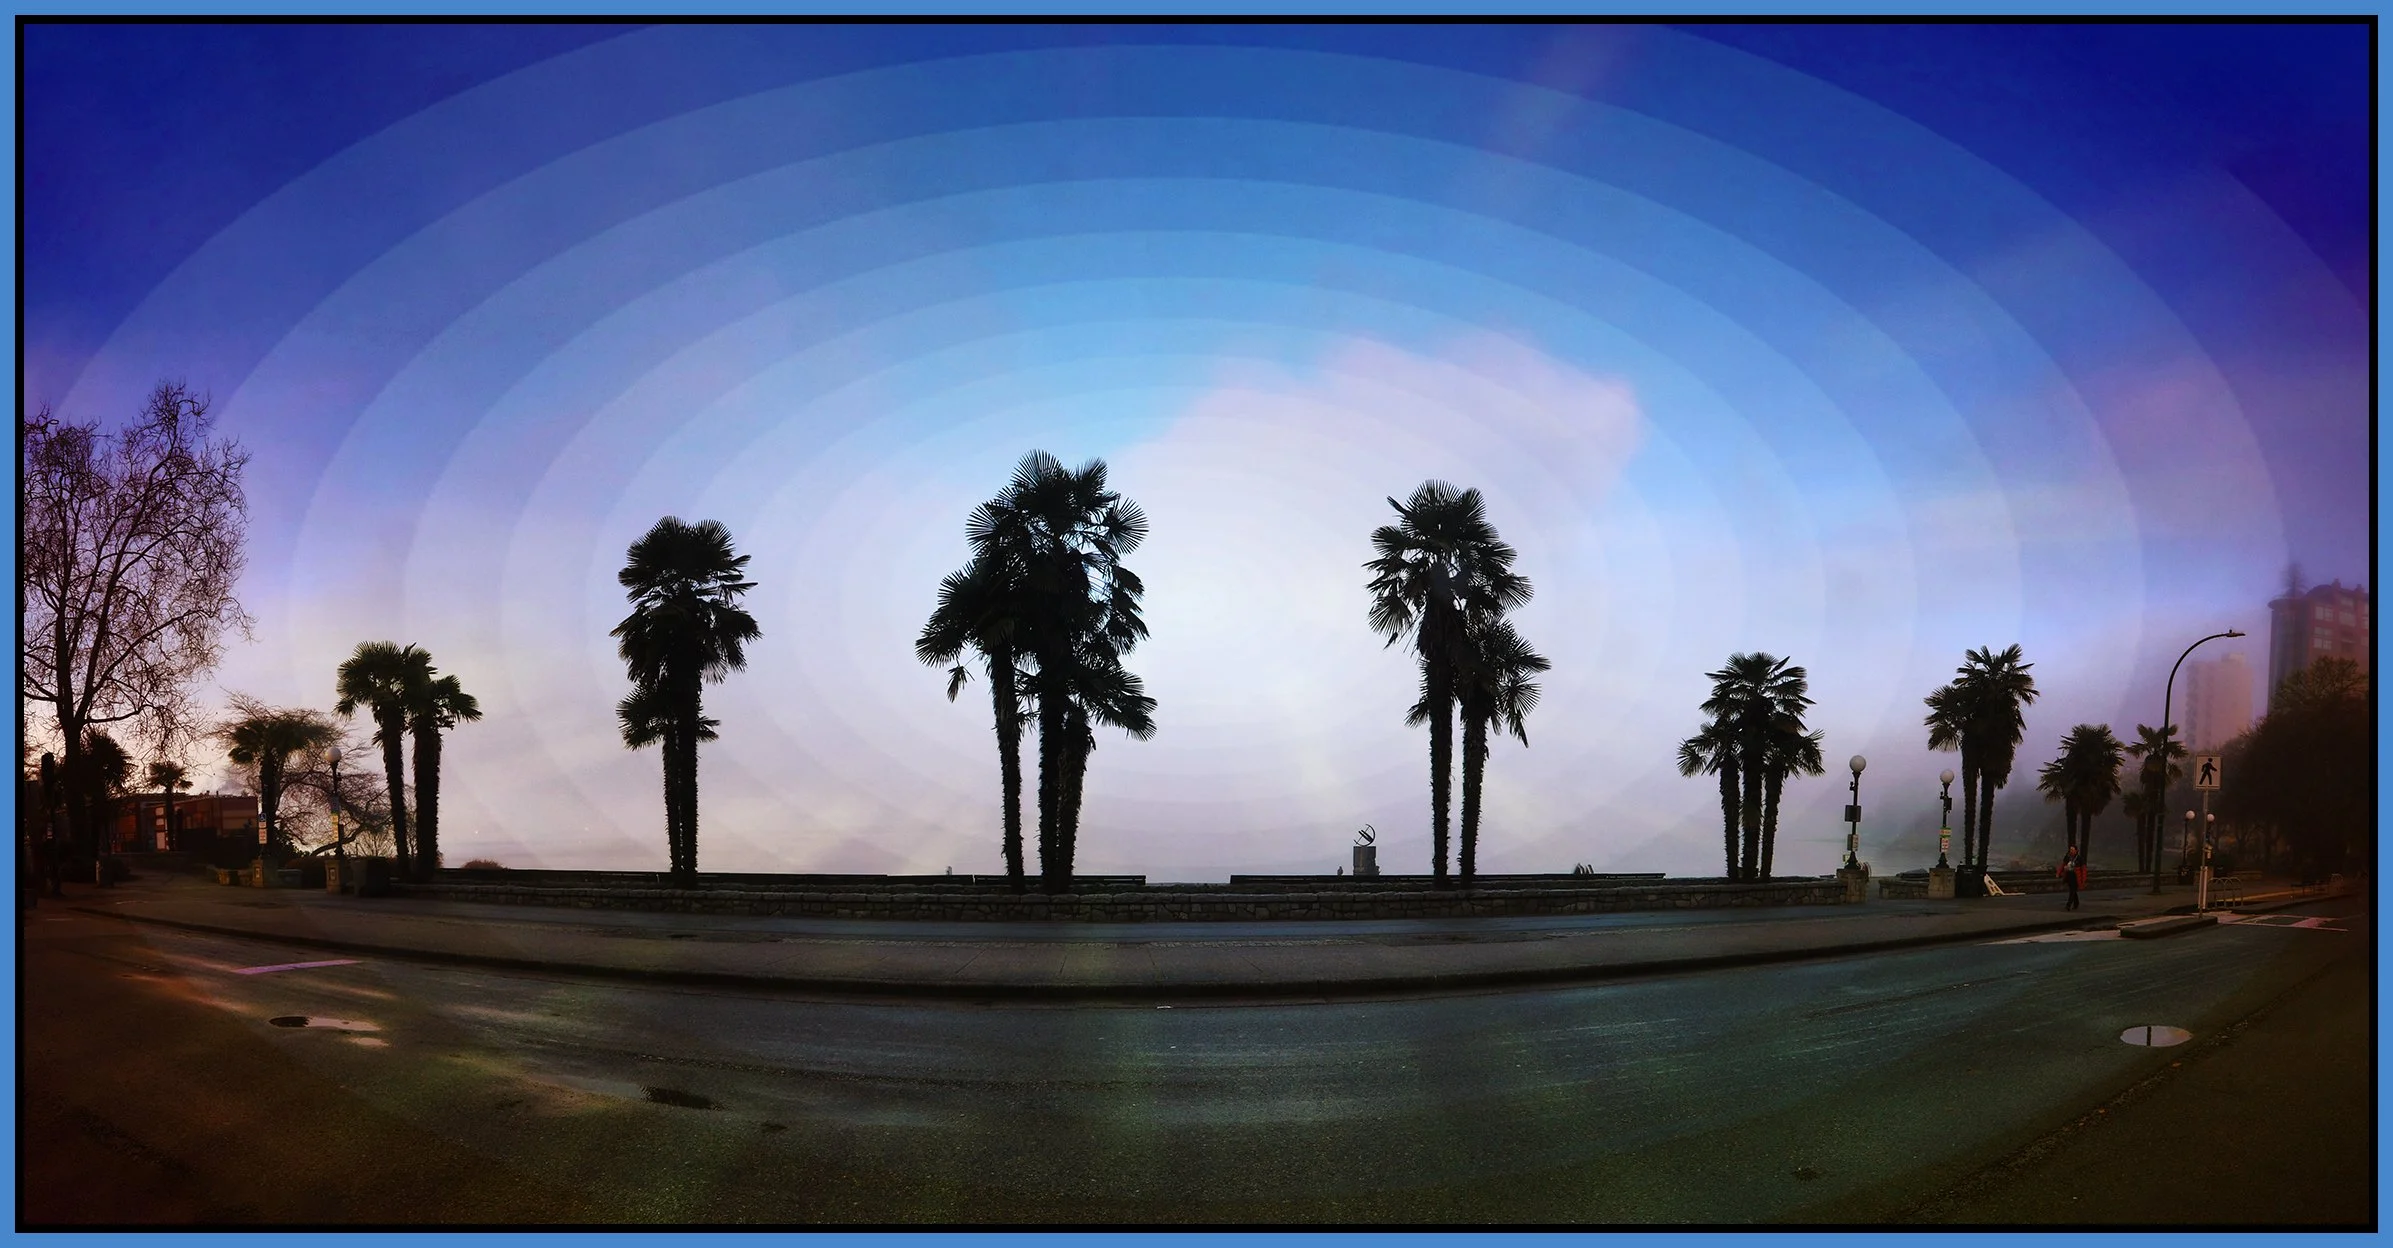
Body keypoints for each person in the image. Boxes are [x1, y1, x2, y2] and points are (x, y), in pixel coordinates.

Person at [2058, 845, 2082, 911]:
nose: (2071, 851)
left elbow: (2083, 869)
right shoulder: (2067, 857)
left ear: (2076, 851)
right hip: (2069, 875)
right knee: (2073, 890)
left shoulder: (2079, 858)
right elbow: (2062, 865)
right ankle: (2076, 903)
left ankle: (2068, 905)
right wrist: (2059, 873)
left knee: (2072, 890)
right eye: (2070, 849)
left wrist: (2083, 878)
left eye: (2072, 850)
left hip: (2076, 876)